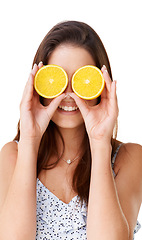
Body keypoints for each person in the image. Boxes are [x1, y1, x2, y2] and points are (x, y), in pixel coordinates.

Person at [0, 21, 142, 240]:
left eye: (82, 80)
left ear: (101, 86)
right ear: (38, 85)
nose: (68, 94)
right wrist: (30, 137)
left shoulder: (130, 158)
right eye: (57, 80)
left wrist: (100, 140)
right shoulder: (13, 155)